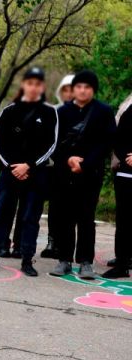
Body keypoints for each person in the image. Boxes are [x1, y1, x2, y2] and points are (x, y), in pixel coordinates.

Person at [0, 67, 58, 277]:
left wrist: (29, 165)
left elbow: (50, 144)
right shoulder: (9, 111)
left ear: (42, 87)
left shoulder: (49, 112)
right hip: (9, 174)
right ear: (23, 86)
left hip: (35, 175)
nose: (33, 87)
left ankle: (27, 259)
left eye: (38, 84)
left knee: (30, 218)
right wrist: (13, 167)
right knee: (2, 215)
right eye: (30, 83)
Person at [49, 70, 117, 279]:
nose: (82, 90)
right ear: (73, 89)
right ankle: (64, 259)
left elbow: (107, 142)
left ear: (93, 90)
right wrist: (67, 160)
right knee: (64, 217)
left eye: (87, 87)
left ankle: (86, 261)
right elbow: (53, 141)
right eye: (79, 86)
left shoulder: (103, 112)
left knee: (86, 218)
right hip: (65, 172)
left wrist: (85, 164)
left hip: (90, 173)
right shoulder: (61, 112)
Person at [41, 74, 76, 259]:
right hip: (54, 166)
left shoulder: (83, 113)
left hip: (76, 168)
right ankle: (52, 241)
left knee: (71, 208)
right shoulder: (53, 112)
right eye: (65, 90)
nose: (69, 93)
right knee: (55, 206)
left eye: (72, 89)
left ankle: (66, 245)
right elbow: (47, 140)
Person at [103, 102, 132, 278]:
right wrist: (126, 157)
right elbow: (118, 139)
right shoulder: (129, 112)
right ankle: (122, 262)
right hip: (125, 174)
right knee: (123, 221)